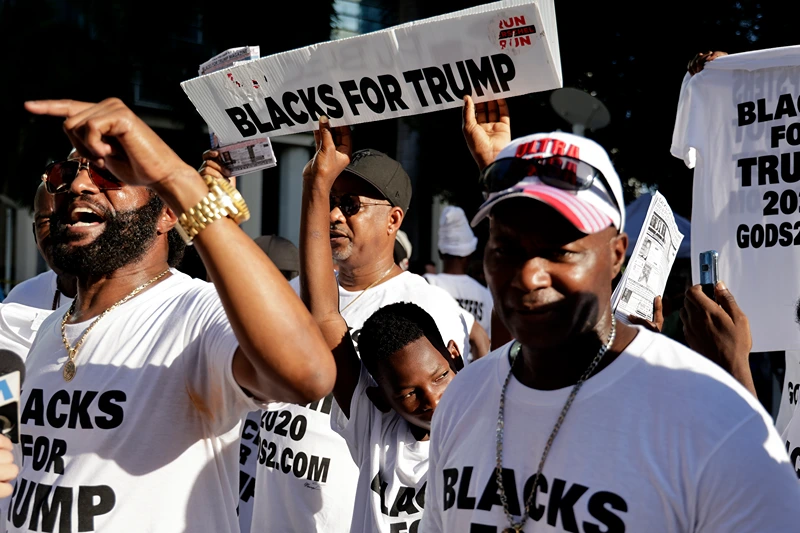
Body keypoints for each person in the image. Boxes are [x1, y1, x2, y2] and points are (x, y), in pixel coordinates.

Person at [419, 99, 800, 531]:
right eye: (505, 249)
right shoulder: (463, 398)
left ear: (617, 254)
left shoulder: (714, 418)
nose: (528, 276)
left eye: (560, 251)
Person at [11, 98, 336, 532]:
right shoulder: (50, 329)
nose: (79, 186)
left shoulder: (195, 314)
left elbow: (308, 375)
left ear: (167, 213)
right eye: (63, 174)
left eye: (110, 173)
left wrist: (174, 176)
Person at [249, 119, 487, 533]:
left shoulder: (426, 307)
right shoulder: (293, 292)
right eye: (332, 203)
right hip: (275, 513)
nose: (336, 216)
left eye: (352, 205)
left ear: (393, 219)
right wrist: (316, 185)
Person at [298, 123, 462, 531]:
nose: (431, 398)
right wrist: (316, 187)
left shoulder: (474, 430)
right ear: (381, 396)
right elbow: (323, 318)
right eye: (408, 390)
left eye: (350, 204)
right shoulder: (375, 429)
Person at [425, 206, 494, 347]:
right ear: (469, 254)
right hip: (478, 367)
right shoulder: (486, 295)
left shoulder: (427, 285)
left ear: (440, 253)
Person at [4, 179, 78, 310]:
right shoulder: (21, 299)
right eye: (46, 222)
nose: (59, 230)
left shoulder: (125, 307)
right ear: (35, 234)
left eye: (68, 218)